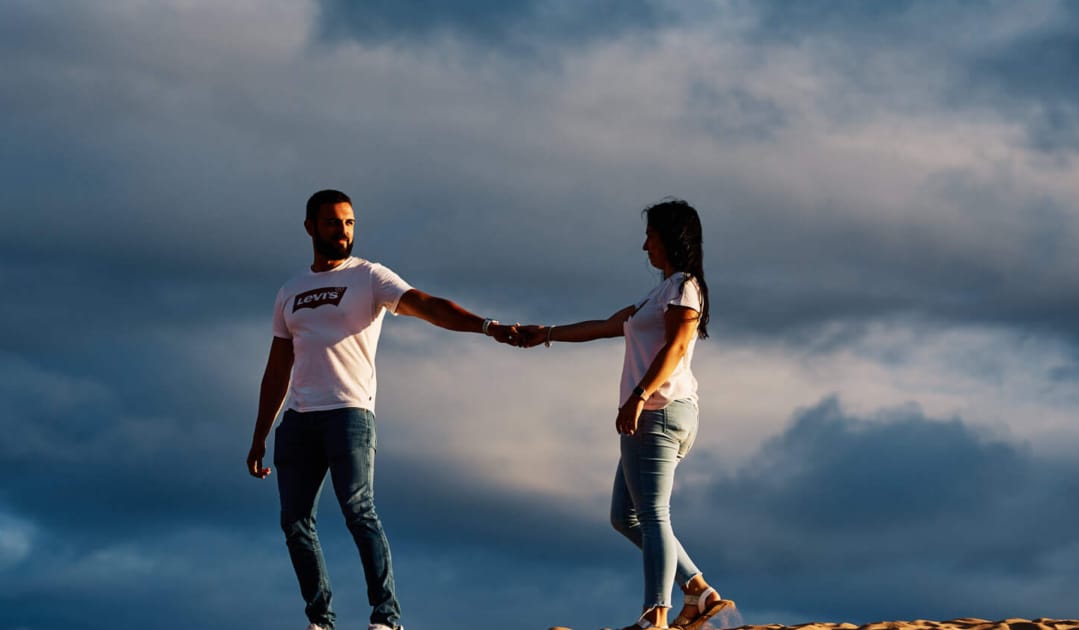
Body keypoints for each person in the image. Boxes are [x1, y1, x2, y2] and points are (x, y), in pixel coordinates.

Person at [247, 189, 519, 630]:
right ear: (310, 227)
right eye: (334, 223)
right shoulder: (290, 291)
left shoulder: (369, 277)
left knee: (359, 511)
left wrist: (486, 326)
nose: (343, 231)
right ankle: (320, 619)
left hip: (349, 413)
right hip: (298, 420)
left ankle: (386, 618)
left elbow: (427, 305)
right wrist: (260, 433)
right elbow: (277, 368)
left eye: (350, 222)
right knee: (295, 523)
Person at [513, 199, 733, 630]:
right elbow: (607, 325)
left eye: (650, 235)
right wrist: (548, 335)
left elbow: (676, 348)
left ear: (669, 237)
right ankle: (699, 592)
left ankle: (657, 615)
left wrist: (638, 393)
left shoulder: (685, 287)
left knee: (652, 514)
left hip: (661, 410)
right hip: (653, 411)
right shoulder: (661, 291)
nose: (644, 245)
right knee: (625, 516)